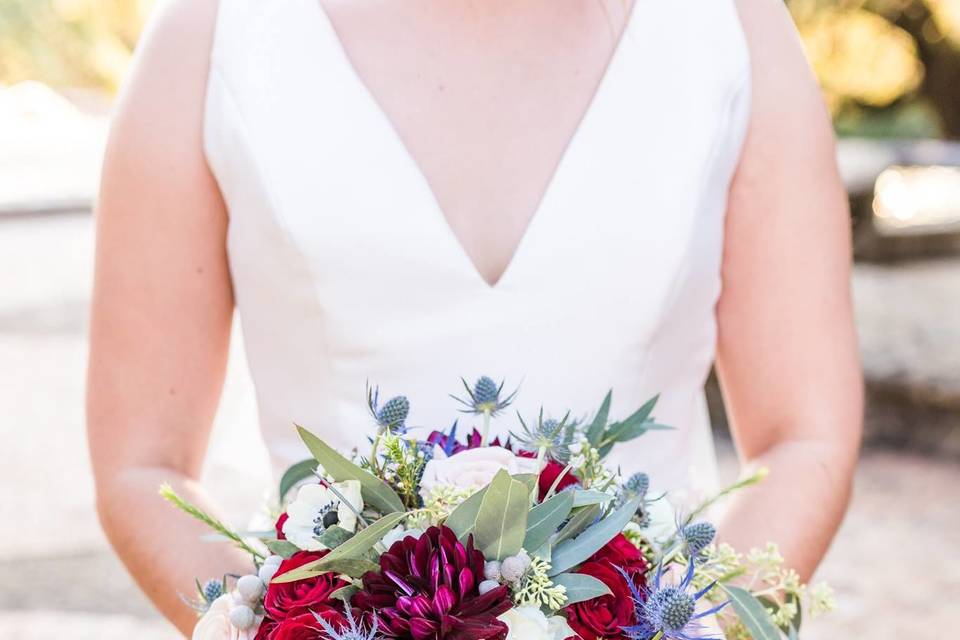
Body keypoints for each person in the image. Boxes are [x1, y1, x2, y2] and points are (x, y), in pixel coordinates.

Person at [87, 0, 862, 635]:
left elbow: (805, 436)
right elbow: (142, 464)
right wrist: (279, 625)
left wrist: (688, 626)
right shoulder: (211, 34)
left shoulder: (729, 29)